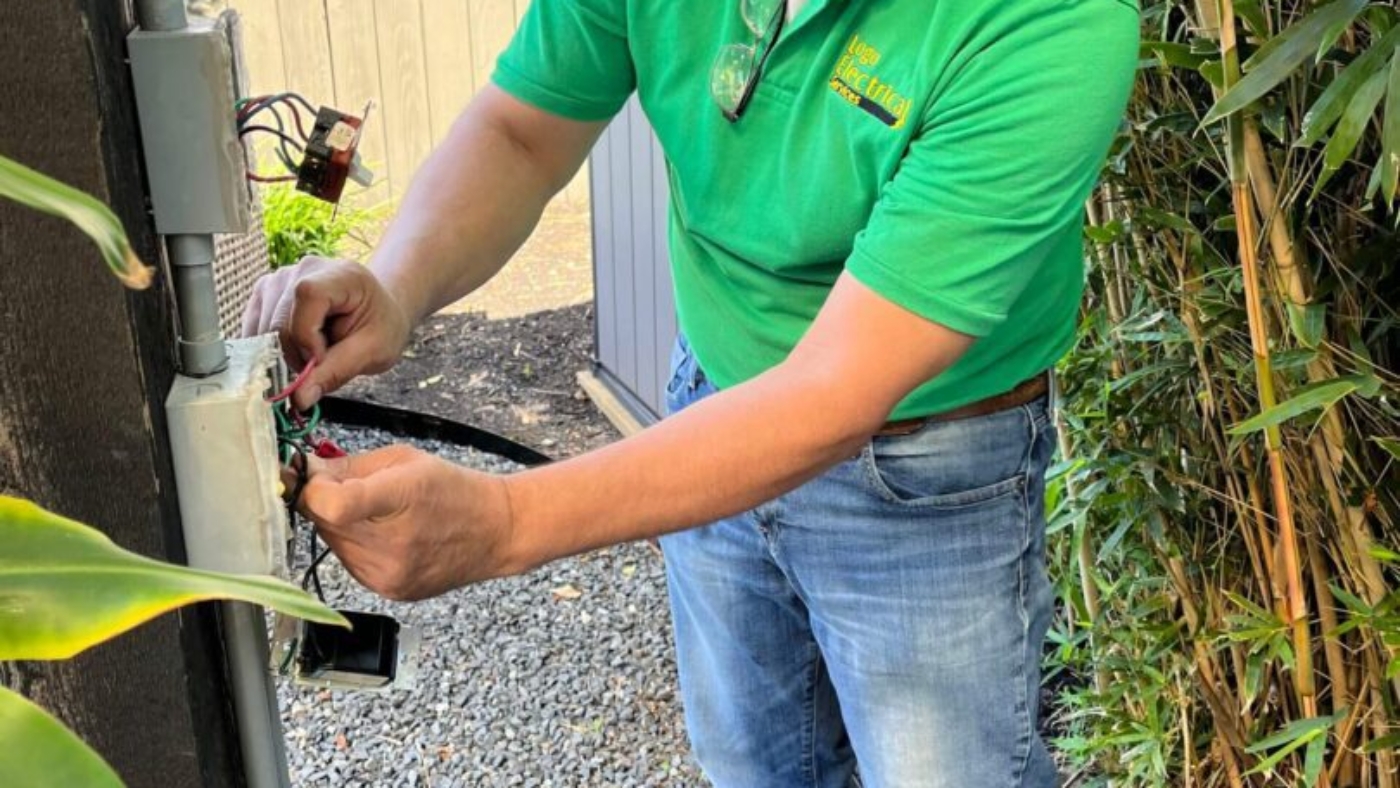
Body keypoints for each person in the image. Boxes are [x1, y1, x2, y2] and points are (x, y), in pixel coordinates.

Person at [243, 0, 1138, 785]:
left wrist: (507, 523)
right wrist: (396, 287)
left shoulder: (1051, 22)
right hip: (707, 397)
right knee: (751, 763)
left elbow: (832, 393)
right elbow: (523, 131)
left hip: (928, 464)